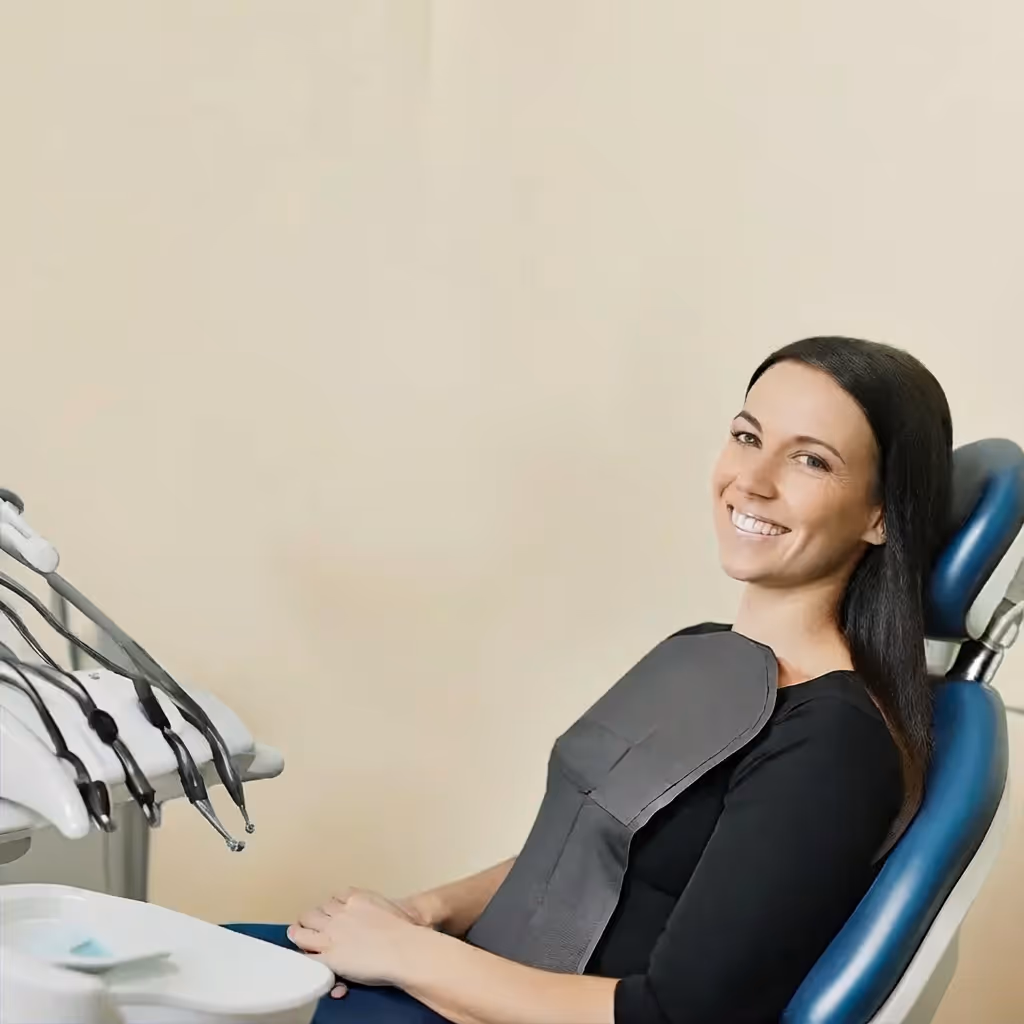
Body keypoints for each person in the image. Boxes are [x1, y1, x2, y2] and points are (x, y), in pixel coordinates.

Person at [228, 336, 954, 1024]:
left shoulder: (834, 743)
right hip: (468, 982)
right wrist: (426, 914)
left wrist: (407, 957)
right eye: (746, 436)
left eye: (811, 461)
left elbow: (676, 1016)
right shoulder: (703, 653)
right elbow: (593, 842)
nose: (752, 481)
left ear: (881, 516)